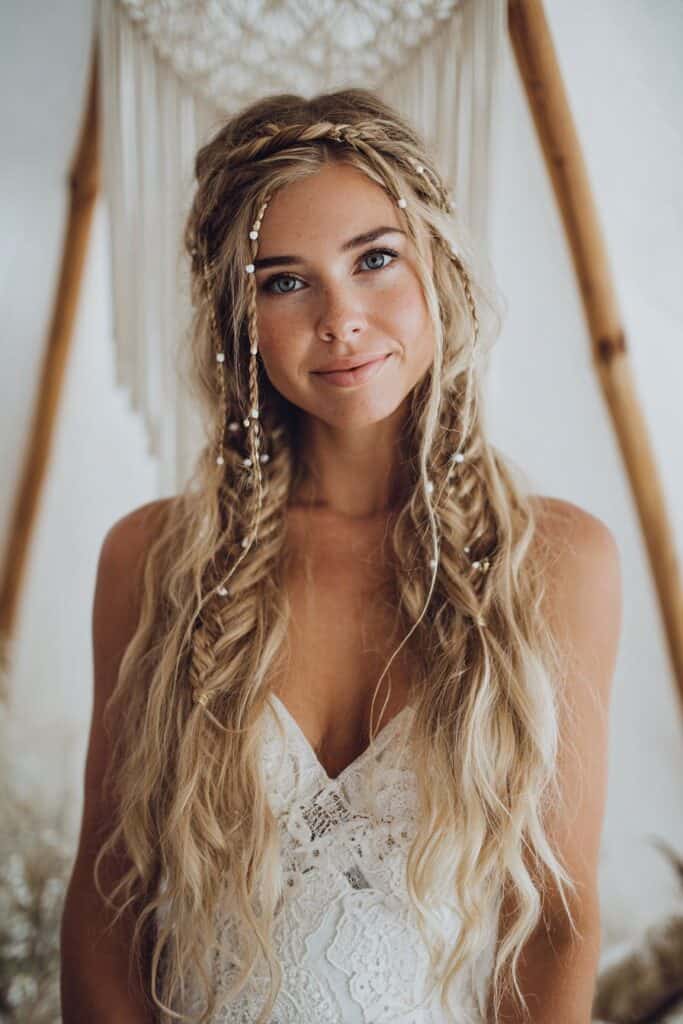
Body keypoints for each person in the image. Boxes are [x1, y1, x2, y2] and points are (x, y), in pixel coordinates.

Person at [60, 88, 622, 1023]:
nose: (341, 318)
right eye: (286, 280)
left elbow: (556, 921)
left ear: (437, 265)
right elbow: (105, 904)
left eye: (374, 259)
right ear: (241, 318)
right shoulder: (150, 557)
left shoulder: (560, 562)